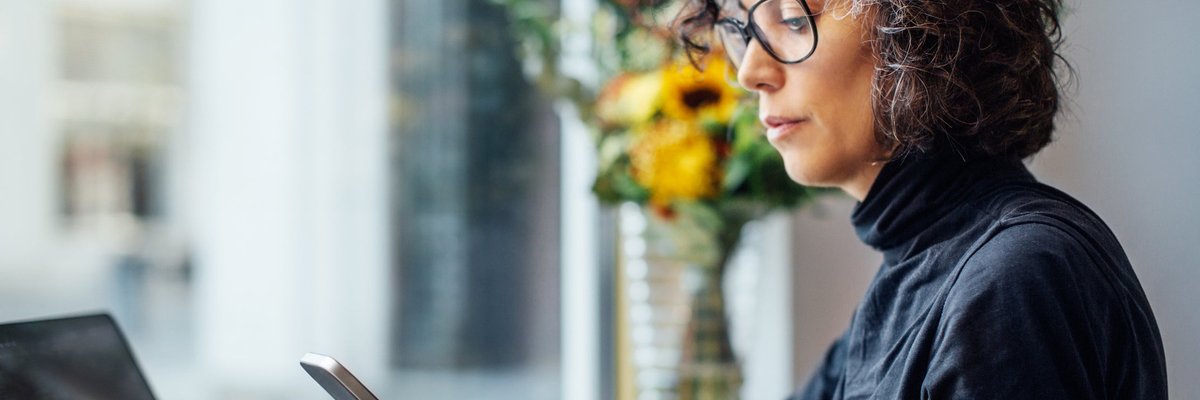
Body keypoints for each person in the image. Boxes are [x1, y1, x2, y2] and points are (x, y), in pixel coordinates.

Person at [674, 0, 1168, 398]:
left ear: (923, 30)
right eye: (741, 30)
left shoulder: (1012, 277)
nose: (750, 72)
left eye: (795, 20)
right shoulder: (916, 274)